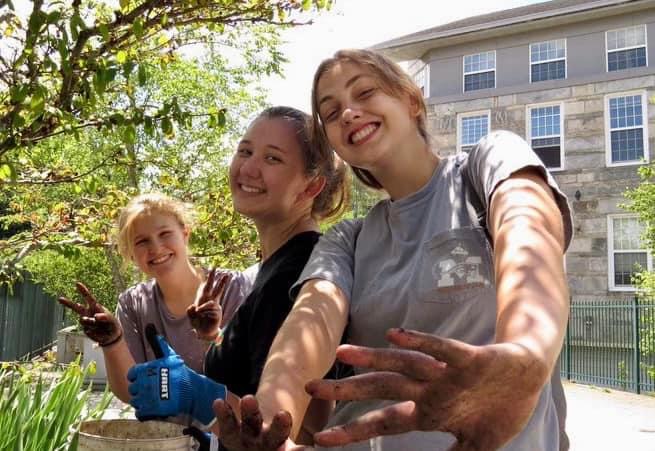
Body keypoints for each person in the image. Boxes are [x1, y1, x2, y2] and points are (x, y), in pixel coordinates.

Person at [213, 49, 573, 451]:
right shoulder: (347, 240)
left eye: (364, 92)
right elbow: (308, 327)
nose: (348, 112)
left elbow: (528, 232)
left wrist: (523, 359)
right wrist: (269, 419)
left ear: (412, 100)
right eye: (331, 113)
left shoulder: (484, 167)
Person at [124, 106, 350, 443]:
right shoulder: (275, 266)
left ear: (311, 186)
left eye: (272, 159)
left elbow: (296, 430)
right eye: (245, 151)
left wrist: (195, 394)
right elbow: (254, 372)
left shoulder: (297, 273)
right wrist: (216, 337)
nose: (248, 167)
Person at [58, 193, 255, 407]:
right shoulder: (134, 303)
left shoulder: (233, 287)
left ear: (185, 233)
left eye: (165, 234)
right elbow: (132, 393)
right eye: (142, 241)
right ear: (131, 253)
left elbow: (250, 376)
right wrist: (112, 343)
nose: (155, 248)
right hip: (165, 438)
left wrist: (212, 337)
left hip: (231, 433)